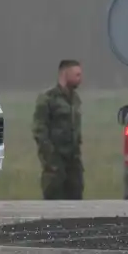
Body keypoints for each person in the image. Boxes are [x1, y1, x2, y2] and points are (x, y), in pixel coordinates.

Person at [31, 59, 84, 200]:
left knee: (76, 202)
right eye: (77, 75)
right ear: (65, 74)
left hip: (73, 161)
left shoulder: (75, 98)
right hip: (55, 162)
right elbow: (39, 130)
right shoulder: (48, 98)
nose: (80, 79)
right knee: (54, 204)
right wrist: (50, 159)